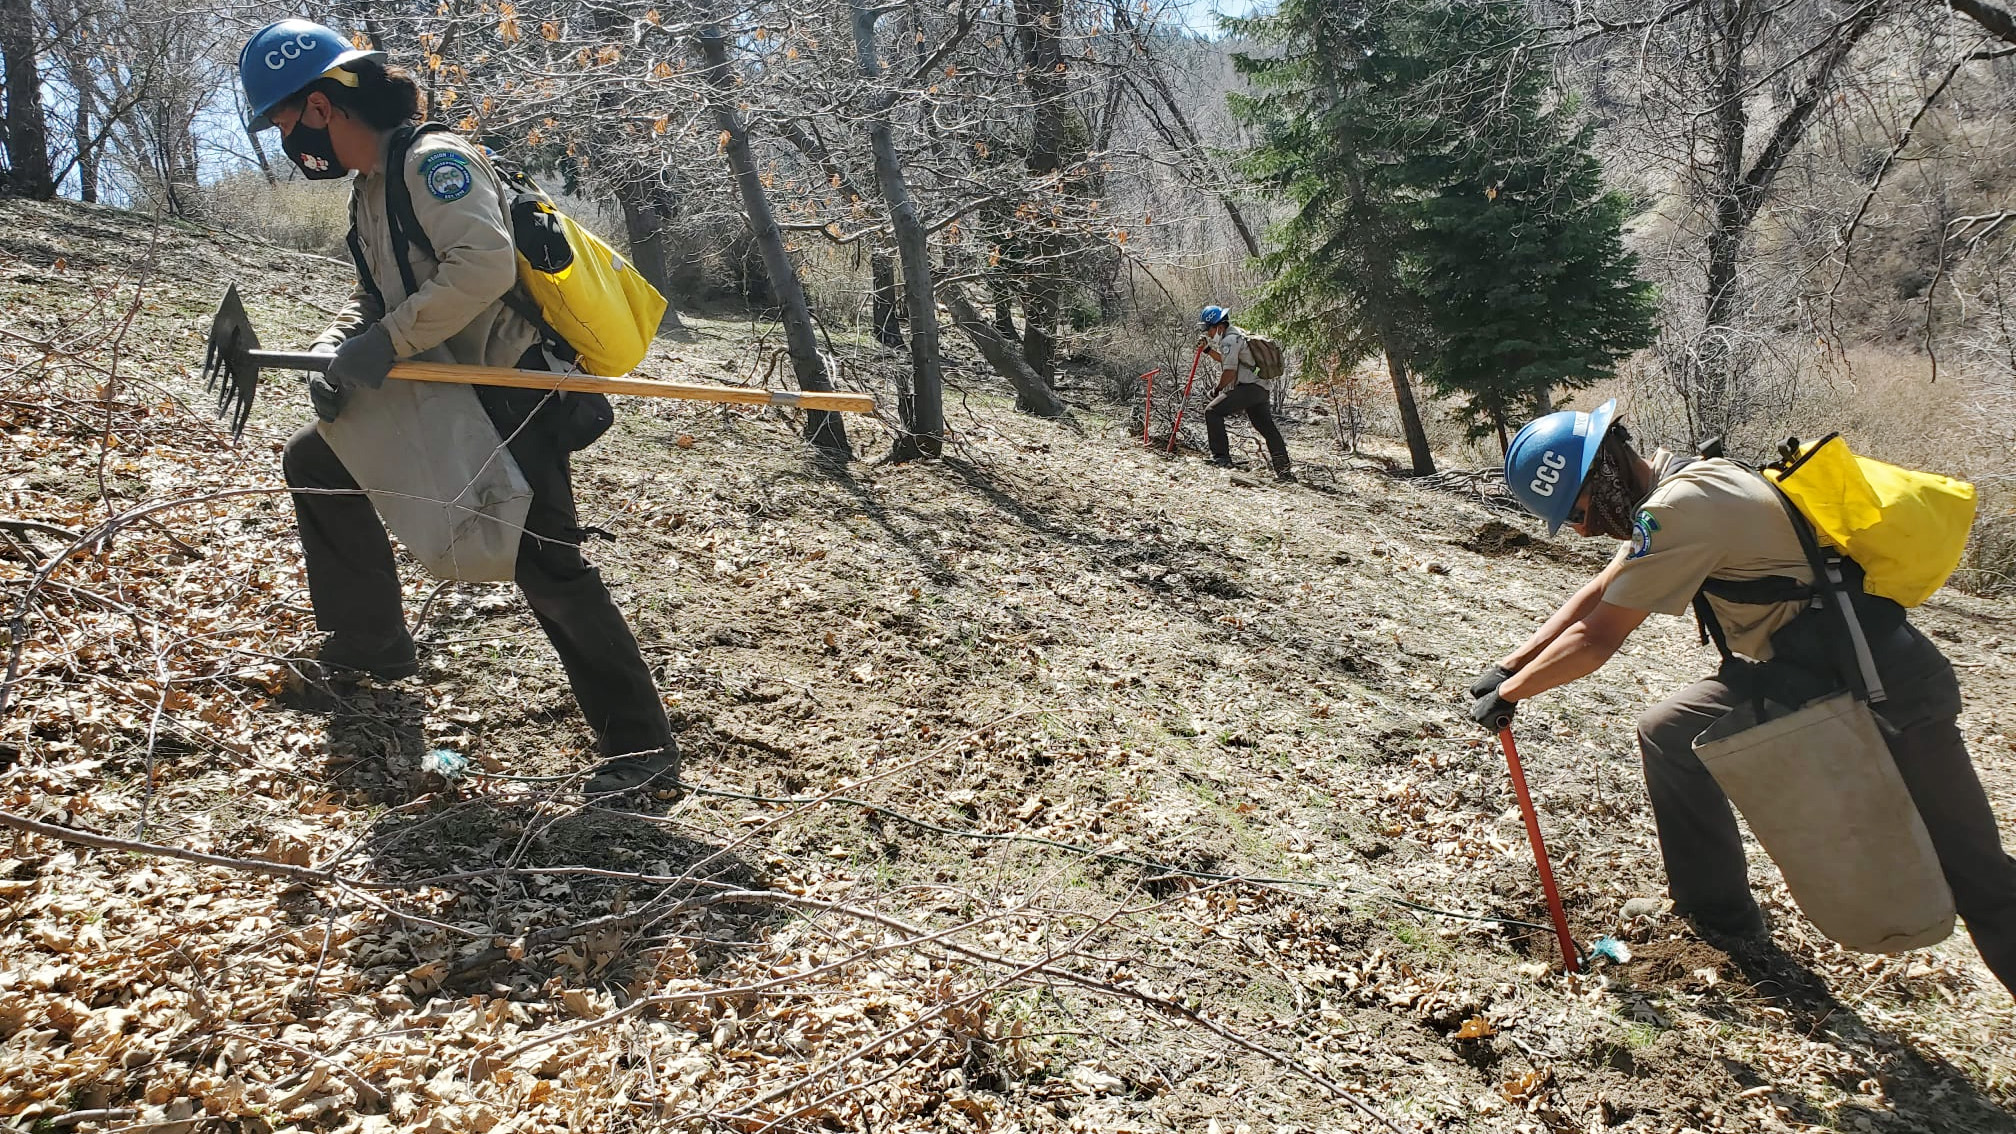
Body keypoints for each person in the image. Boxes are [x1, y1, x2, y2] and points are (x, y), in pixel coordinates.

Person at [237, 19, 675, 794]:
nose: (283, 141)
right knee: (315, 458)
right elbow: (373, 300)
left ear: (321, 107)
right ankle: (366, 646)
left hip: (516, 388)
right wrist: (337, 348)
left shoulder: (434, 163)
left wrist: (384, 343)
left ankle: (641, 753)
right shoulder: (368, 194)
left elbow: (482, 266)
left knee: (545, 564)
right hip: (441, 381)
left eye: (280, 121)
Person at [1470, 399, 2016, 997]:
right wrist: (1509, 665)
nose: (1582, 530)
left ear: (1604, 474)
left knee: (1977, 874)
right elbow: (1602, 589)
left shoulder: (1682, 509)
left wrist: (1513, 694)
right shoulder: (1679, 486)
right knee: (1670, 732)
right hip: (1797, 672)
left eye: (1577, 512)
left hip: (1882, 685)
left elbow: (1599, 637)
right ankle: (1719, 918)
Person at [1196, 305, 1293, 481]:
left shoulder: (1229, 340)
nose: (1207, 334)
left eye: (1207, 329)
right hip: (1260, 389)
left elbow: (1230, 371)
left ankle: (1221, 458)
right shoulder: (1237, 334)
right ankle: (1284, 472)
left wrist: (1217, 390)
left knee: (1212, 411)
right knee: (1267, 429)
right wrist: (1208, 351)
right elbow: (1229, 360)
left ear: (1218, 326)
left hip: (1248, 388)